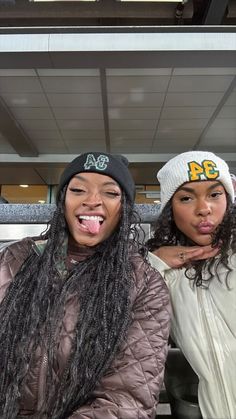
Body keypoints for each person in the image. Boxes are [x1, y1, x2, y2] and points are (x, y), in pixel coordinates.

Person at [0, 151, 171, 419]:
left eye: (111, 193)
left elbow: (127, 400)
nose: (92, 201)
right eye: (78, 189)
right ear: (63, 201)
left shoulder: (145, 284)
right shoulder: (16, 259)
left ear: (124, 208)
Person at [147, 150, 236, 419]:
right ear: (169, 209)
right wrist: (153, 263)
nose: (204, 209)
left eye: (215, 194)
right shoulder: (166, 273)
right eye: (186, 197)